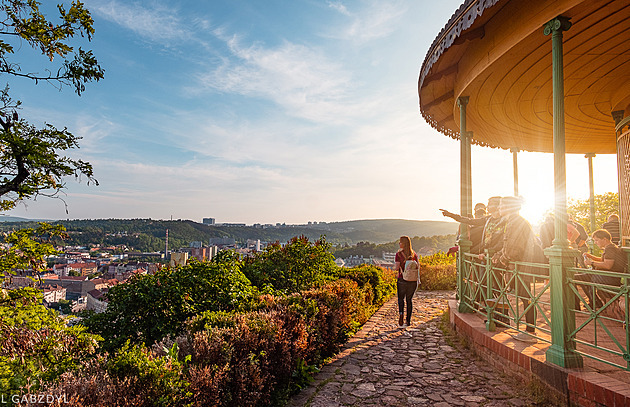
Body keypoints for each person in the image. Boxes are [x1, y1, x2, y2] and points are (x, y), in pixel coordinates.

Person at [491, 196, 544, 343]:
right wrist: (498, 255)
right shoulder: (513, 222)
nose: (499, 208)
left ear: (508, 207)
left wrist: (501, 260)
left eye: (501, 206)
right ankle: (529, 330)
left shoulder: (516, 223)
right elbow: (507, 246)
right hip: (519, 265)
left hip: (521, 266)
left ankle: (530, 331)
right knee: (524, 296)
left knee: (526, 297)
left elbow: (513, 249)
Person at [576, 229, 627, 318]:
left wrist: (591, 263)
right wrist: (591, 257)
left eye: (596, 240)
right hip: (608, 276)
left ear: (604, 239)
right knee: (580, 278)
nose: (595, 243)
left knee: (577, 278)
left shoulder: (610, 249)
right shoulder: (611, 247)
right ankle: (594, 302)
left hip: (610, 278)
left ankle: (590, 304)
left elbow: (608, 265)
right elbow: (604, 260)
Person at [394, 236, 419, 328]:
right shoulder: (414, 254)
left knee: (401, 299)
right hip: (412, 281)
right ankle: (408, 321)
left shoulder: (399, 254)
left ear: (403, 243)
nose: (399, 244)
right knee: (409, 300)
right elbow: (418, 267)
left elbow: (397, 267)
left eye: (400, 242)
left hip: (402, 279)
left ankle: (401, 313)